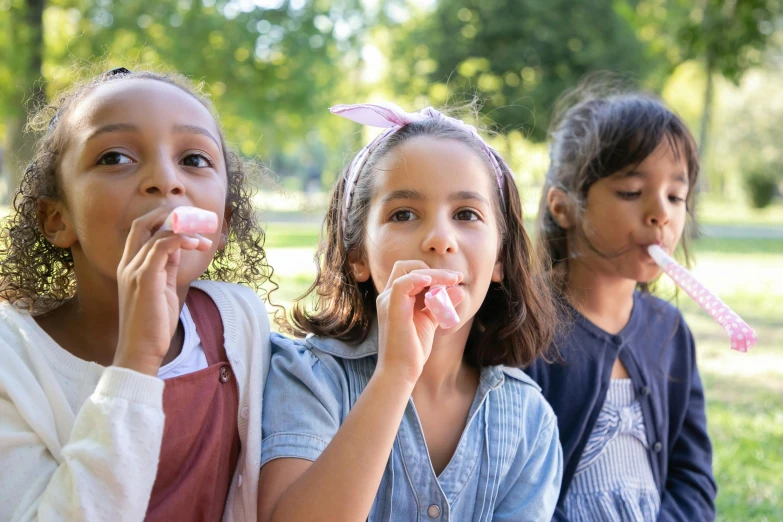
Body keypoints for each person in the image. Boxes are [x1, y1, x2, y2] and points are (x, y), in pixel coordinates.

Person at [258, 101, 563, 522]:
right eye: (403, 214)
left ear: (500, 259)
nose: (440, 238)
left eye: (466, 214)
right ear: (357, 255)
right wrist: (395, 375)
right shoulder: (308, 379)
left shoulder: (529, 423)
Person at [0, 67, 272, 521]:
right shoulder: (13, 365)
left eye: (195, 159)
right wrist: (137, 361)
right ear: (57, 219)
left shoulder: (239, 320)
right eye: (114, 158)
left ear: (221, 224)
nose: (165, 181)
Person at [525, 81, 717, 521]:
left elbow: (693, 476)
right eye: (631, 191)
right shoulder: (526, 332)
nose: (661, 213)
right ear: (563, 207)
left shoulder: (670, 332)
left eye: (676, 195)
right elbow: (512, 487)